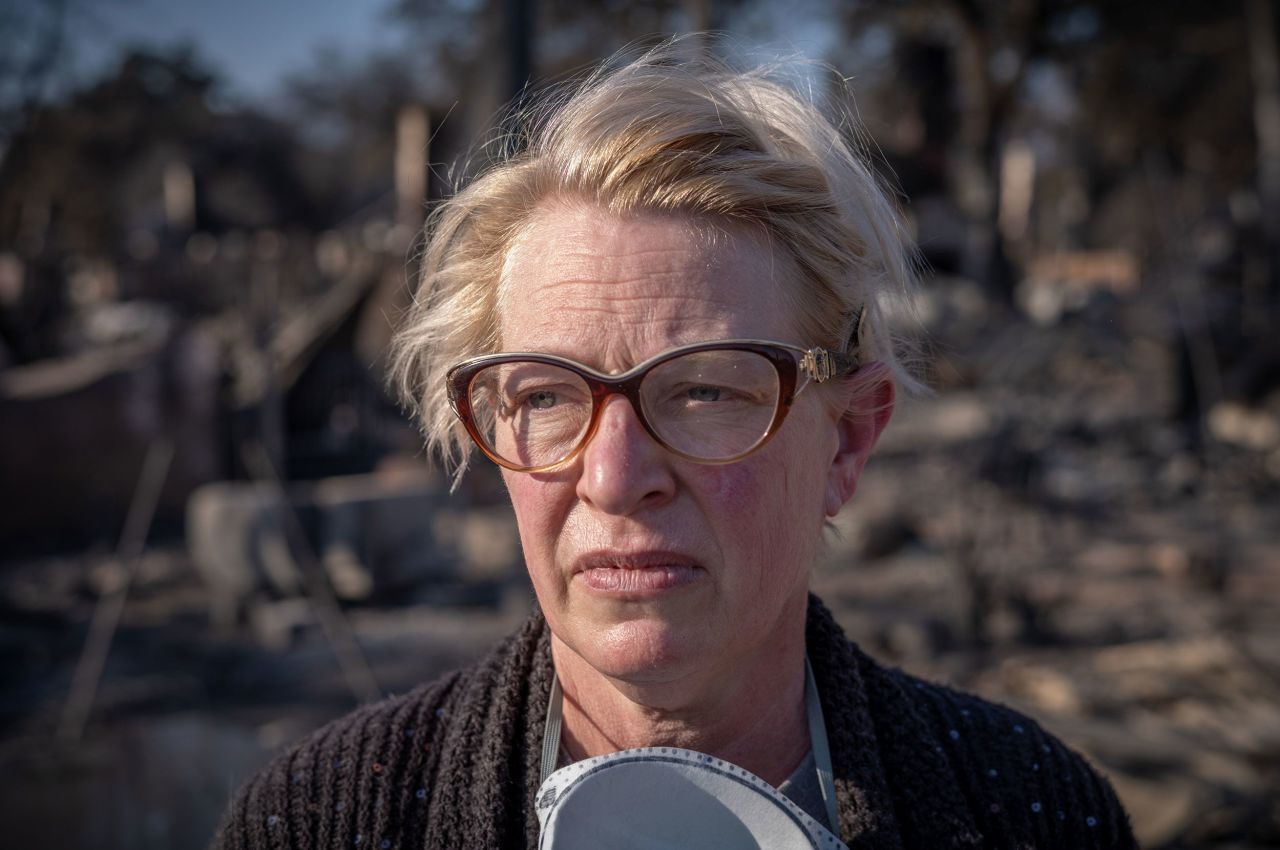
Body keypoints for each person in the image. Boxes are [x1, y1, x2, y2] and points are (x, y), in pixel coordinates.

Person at [212, 44, 1137, 850]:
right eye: (546, 395)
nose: (613, 479)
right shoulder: (319, 820)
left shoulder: (1031, 813)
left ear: (848, 440)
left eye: (703, 391)